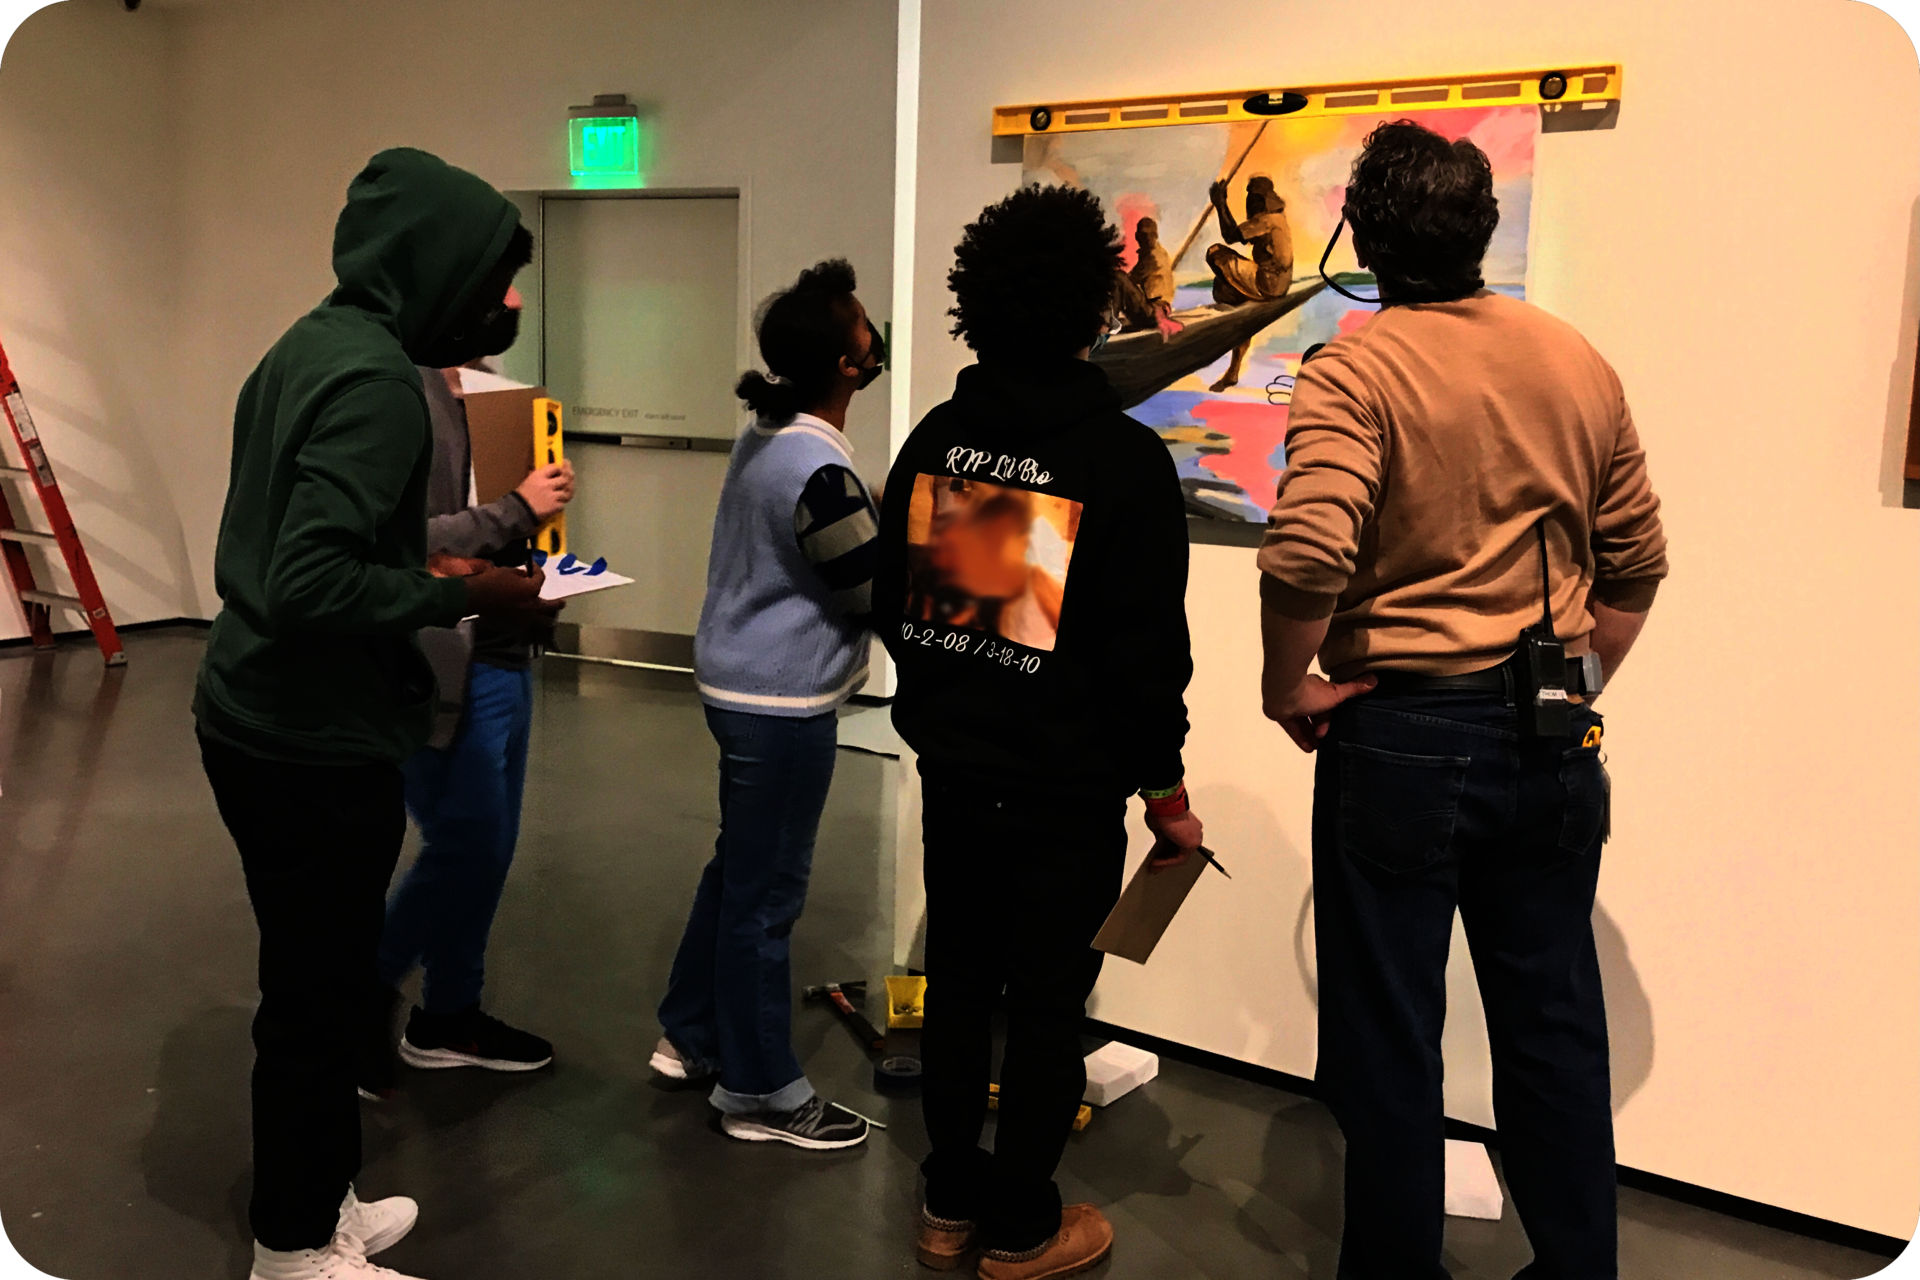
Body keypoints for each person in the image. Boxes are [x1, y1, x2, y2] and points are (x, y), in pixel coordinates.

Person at [1256, 120, 1668, 1279]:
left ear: (1366, 237)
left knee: (1391, 1037)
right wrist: (1577, 676)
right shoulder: (1572, 357)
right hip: (1549, 732)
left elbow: (1303, 556)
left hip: (1401, 732)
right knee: (1552, 1022)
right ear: (1481, 226)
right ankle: (1580, 1265)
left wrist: (1287, 682)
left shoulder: (1359, 365)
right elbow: (1637, 561)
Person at [194, 147, 559, 1280]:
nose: (506, 303)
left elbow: (316, 544)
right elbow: (306, 579)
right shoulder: (375, 386)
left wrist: (433, 567)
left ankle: (322, 1196)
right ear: (435, 267)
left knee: (322, 976)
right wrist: (470, 586)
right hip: (306, 734)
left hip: (259, 713)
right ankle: (296, 1248)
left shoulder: (315, 343)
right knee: (312, 997)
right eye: (493, 279)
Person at [872, 185, 1201, 1280]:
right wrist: (1166, 791)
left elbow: (902, 610)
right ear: (1092, 303)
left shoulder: (935, 442)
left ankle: (948, 1203)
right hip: (1067, 791)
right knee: (1050, 1000)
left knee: (961, 982)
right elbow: (1145, 659)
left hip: (958, 777)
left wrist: (947, 714)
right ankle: (1022, 1224)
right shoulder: (1121, 464)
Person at [649, 258, 885, 1150]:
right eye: (868, 333)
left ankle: (692, 1030)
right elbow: (869, 589)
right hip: (780, 705)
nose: (876, 341)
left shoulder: (769, 433)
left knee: (736, 871)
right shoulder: (818, 469)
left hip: (739, 686)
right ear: (849, 368)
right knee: (768, 894)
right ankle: (760, 1093)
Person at [359, 350, 576, 1094]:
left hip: (506, 651)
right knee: (467, 846)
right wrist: (516, 508)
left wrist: (547, 559)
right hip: (442, 659)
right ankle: (364, 998)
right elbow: (402, 543)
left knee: (486, 849)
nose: (508, 297)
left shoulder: (498, 393)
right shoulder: (399, 395)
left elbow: (511, 530)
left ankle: (449, 1014)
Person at [1204, 173, 1294, 390]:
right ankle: (1233, 371)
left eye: (1253, 200)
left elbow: (1230, 236)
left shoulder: (1267, 220)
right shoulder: (1278, 219)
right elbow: (1246, 236)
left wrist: (1220, 203)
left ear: (1261, 200)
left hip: (1267, 283)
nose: (1250, 204)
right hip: (1278, 283)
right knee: (1227, 290)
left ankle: (1233, 296)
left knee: (1214, 252)